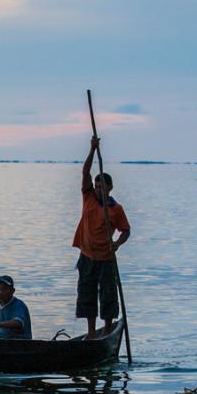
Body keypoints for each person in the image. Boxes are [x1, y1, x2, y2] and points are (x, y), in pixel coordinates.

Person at [73, 135, 131, 339]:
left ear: (110, 188)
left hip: (106, 258)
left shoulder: (116, 209)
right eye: (97, 187)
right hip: (88, 255)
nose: (98, 190)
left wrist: (117, 243)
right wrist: (92, 149)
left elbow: (126, 231)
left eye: (102, 187)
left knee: (108, 295)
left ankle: (106, 330)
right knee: (87, 294)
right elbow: (85, 172)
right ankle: (90, 333)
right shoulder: (89, 198)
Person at [0, 275, 32, 339]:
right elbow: (3, 329)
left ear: (12, 291)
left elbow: (18, 323)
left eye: (4, 289)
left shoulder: (18, 304)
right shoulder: (0, 304)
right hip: (5, 343)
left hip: (21, 344)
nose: (0, 293)